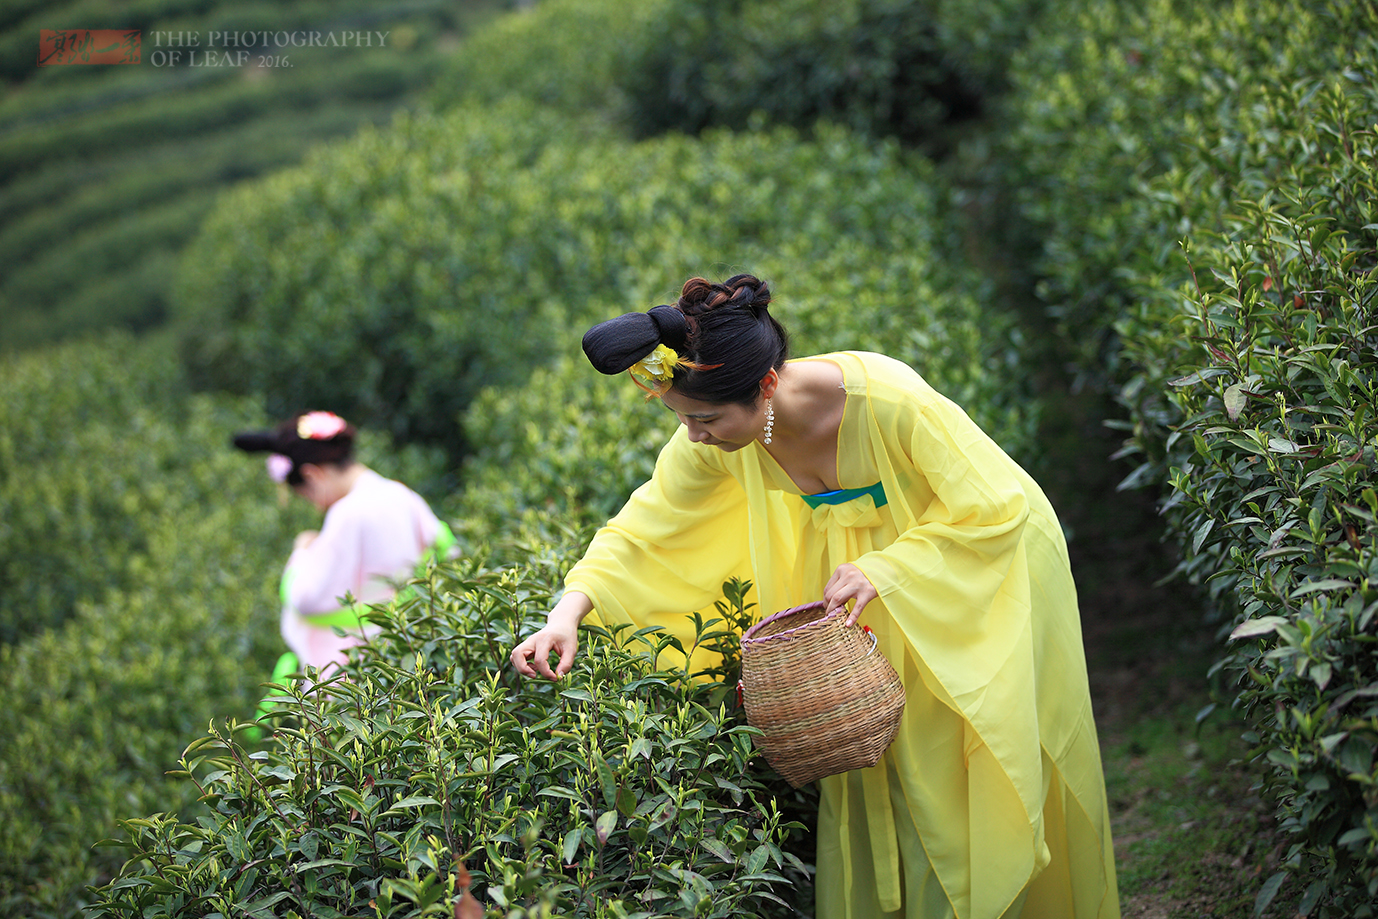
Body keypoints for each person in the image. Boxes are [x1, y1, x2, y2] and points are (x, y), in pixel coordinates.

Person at [511, 275, 1120, 919]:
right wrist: (566, 613)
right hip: (853, 607)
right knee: (884, 776)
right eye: (683, 420)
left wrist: (888, 568)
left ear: (767, 385)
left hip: (960, 580)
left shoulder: (887, 400)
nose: (693, 436)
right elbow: (643, 530)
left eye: (706, 419)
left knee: (961, 769)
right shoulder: (719, 439)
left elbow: (997, 508)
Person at [233, 411, 452, 680]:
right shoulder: (401, 494)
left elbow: (305, 598)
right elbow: (448, 551)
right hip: (413, 654)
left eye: (307, 494)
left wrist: (302, 550)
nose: (315, 505)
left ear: (312, 475)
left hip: (357, 669)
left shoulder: (347, 513)